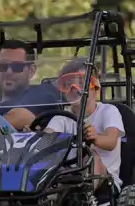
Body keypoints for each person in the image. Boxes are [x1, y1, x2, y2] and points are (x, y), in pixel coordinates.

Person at [0, 39, 61, 146]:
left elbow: (22, 116)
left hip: (28, 159)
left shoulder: (43, 94)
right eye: (3, 66)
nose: (9, 72)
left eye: (17, 67)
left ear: (31, 71)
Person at [43, 59, 124, 189]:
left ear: (95, 87)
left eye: (81, 83)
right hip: (67, 177)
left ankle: (85, 194)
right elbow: (45, 141)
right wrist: (36, 138)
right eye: (68, 84)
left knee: (92, 156)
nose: (74, 89)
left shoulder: (108, 111)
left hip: (106, 182)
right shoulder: (61, 118)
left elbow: (111, 142)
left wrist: (96, 137)